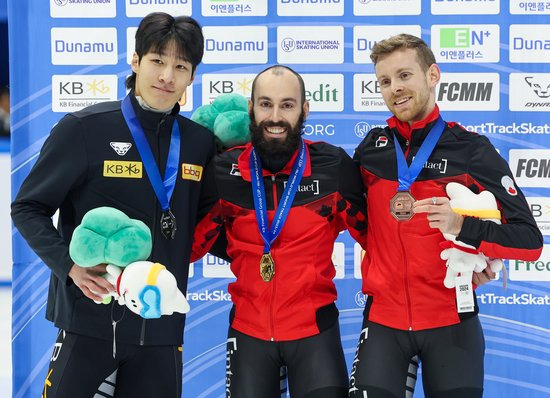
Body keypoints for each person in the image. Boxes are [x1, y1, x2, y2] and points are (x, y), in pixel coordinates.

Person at [11, 13, 213, 398]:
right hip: (89, 324)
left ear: (191, 77)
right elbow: (27, 207)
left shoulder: (199, 143)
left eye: (180, 66)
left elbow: (211, 222)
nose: (167, 76)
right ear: (135, 61)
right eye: (157, 61)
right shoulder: (85, 128)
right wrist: (68, 267)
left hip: (161, 331)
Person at [349, 34, 543, 398]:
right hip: (383, 321)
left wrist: (463, 229)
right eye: (385, 81)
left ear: (433, 74)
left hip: (452, 322)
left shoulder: (471, 149)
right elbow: (350, 215)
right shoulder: (372, 149)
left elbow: (530, 241)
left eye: (405, 75)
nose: (395, 89)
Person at [190, 65, 367, 398]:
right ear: (251, 110)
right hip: (248, 332)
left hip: (314, 331)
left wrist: (465, 250)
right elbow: (192, 245)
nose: (275, 116)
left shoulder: (333, 167)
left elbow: (382, 238)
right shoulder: (223, 171)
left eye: (287, 105)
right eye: (265, 104)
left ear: (304, 110)